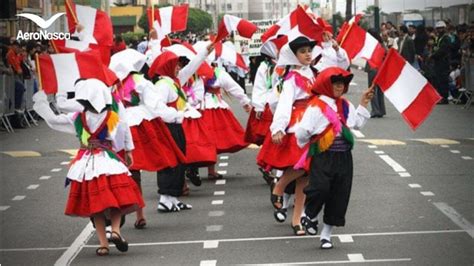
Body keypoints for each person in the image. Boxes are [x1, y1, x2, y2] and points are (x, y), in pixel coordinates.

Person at [32, 79, 145, 256]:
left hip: (87, 164)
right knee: (117, 200)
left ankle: (103, 244)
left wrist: (40, 100)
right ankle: (115, 230)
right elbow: (123, 132)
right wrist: (129, 151)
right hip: (109, 162)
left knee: (96, 206)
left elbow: (54, 120)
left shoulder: (78, 117)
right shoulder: (111, 116)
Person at [295, 67, 374, 249]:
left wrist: (363, 102)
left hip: (344, 156)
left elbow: (357, 124)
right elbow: (302, 132)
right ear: (326, 84)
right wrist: (309, 141)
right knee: (320, 188)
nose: (340, 87)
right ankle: (310, 214)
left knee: (339, 195)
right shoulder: (316, 106)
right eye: (336, 83)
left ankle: (326, 234)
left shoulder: (345, 105)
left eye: (343, 84)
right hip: (324, 155)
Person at [109, 48, 187, 228]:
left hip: (119, 127)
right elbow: (156, 106)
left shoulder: (113, 85)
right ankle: (140, 213)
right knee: (165, 157)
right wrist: (177, 115)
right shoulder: (141, 82)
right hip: (141, 126)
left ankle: (125, 214)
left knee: (128, 172)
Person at [257, 36, 318, 236]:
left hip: (315, 122)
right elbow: (282, 103)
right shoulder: (291, 78)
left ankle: (296, 219)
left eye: (309, 50)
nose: (308, 54)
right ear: (294, 56)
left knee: (307, 176)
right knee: (303, 167)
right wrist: (278, 128)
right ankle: (280, 185)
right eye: (303, 51)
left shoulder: (314, 73)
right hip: (299, 125)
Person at [147, 43, 213, 212]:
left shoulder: (174, 81)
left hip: (175, 126)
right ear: (168, 66)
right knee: (169, 162)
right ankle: (164, 199)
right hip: (167, 126)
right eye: (176, 65)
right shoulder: (163, 85)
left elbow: (191, 68)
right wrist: (176, 115)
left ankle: (172, 198)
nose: (179, 68)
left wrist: (205, 52)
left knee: (179, 161)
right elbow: (157, 107)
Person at [366, 29, 386, 118]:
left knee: (372, 89)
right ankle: (381, 110)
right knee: (380, 91)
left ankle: (375, 110)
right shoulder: (381, 44)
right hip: (381, 68)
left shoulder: (372, 44)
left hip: (373, 68)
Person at [431, 21, 451, 104]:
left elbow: (442, 50)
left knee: (443, 80)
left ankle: (444, 98)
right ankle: (440, 96)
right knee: (438, 80)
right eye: (438, 28)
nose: (439, 30)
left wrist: (433, 55)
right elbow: (435, 47)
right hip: (438, 61)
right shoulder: (438, 37)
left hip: (443, 61)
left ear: (444, 28)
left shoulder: (446, 38)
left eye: (441, 28)